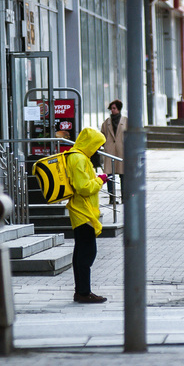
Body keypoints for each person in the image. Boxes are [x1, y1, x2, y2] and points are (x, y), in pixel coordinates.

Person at [66, 127, 109, 304]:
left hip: (84, 211)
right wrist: (101, 180)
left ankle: (82, 291)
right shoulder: (78, 158)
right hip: (82, 212)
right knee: (87, 253)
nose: (98, 149)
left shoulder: (78, 156)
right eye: (97, 145)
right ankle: (83, 292)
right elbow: (83, 187)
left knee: (82, 253)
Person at [99, 99, 127, 204]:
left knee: (123, 175)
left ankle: (124, 197)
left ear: (119, 109)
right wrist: (103, 145)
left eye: (114, 108)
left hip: (122, 151)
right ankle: (112, 198)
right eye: (111, 108)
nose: (112, 110)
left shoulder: (125, 121)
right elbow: (101, 135)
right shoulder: (106, 123)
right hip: (109, 151)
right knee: (110, 175)